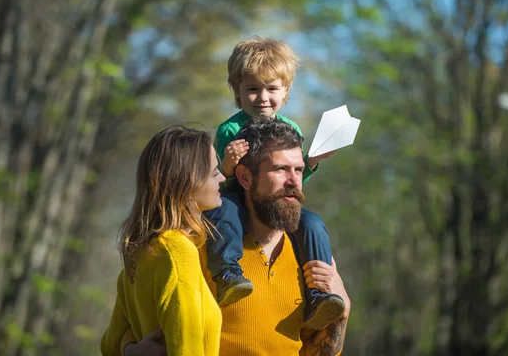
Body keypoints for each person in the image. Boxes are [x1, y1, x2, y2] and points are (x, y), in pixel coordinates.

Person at [122, 117, 351, 356]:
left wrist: (343, 309)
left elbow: (313, 350)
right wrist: (129, 350)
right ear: (244, 177)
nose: (294, 181)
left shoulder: (308, 256)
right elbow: (133, 315)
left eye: (299, 170)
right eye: (281, 169)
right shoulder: (196, 246)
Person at [206, 36, 344, 330]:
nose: (263, 97)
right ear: (238, 93)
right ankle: (228, 273)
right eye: (252, 89)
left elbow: (290, 182)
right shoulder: (230, 128)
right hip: (235, 197)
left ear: (285, 92)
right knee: (224, 213)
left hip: (272, 202)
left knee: (313, 223)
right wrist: (229, 162)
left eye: (272, 88)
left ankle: (319, 294)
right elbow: (224, 177)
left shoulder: (291, 127)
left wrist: (312, 161)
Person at [100, 126, 225, 356]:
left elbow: (110, 344)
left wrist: (131, 351)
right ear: (189, 181)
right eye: (214, 172)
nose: (223, 178)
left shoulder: (141, 251)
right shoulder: (177, 251)